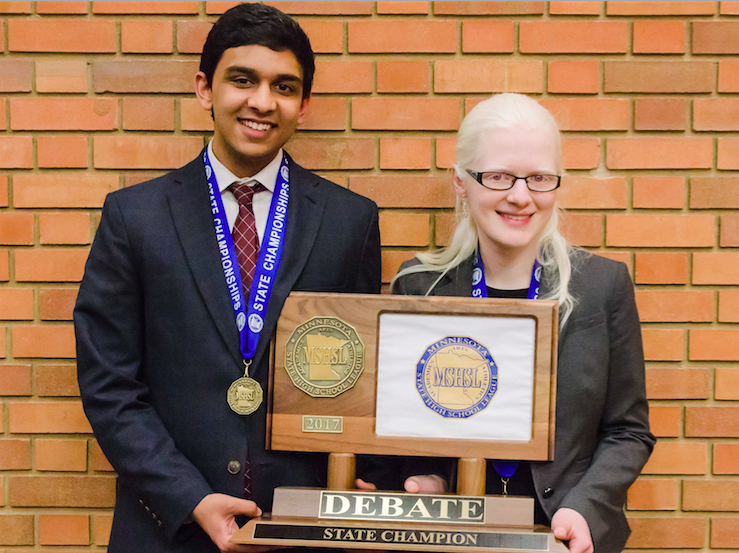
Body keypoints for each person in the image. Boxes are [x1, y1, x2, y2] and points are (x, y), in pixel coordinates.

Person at [74, 4, 381, 553]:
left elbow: (361, 379)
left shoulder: (349, 220)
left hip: (302, 526)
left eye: (284, 86)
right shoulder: (133, 217)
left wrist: (360, 473)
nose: (262, 102)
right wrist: (190, 497)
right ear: (205, 88)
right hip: (168, 527)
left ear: (304, 105)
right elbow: (110, 387)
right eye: (243, 80)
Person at [392, 93, 655, 553]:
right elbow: (396, 424)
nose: (520, 196)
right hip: (452, 535)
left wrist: (584, 508)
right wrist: (428, 480)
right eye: (497, 176)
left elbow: (628, 431)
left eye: (539, 178)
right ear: (460, 181)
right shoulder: (418, 287)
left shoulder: (603, 286)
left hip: (564, 535)